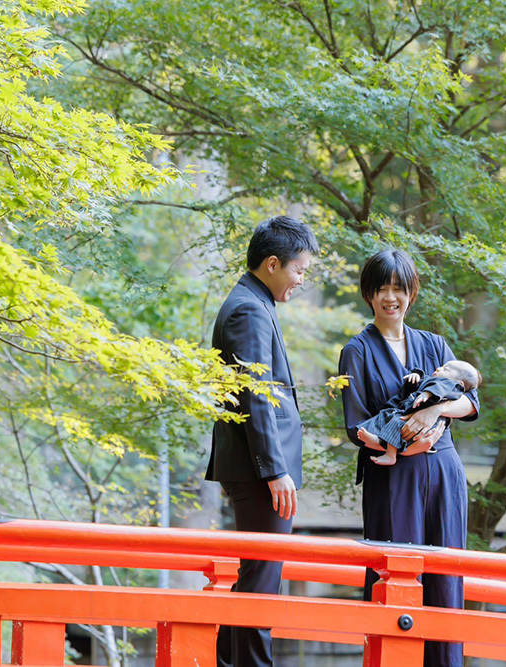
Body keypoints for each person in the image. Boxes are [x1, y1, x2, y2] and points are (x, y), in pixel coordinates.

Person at [338, 248, 479, 667]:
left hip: (443, 472)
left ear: (411, 293)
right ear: (369, 293)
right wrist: (400, 443)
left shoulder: (434, 344)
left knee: (445, 581)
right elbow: (355, 425)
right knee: (396, 576)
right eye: (381, 288)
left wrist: (434, 412)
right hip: (393, 475)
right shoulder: (357, 350)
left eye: (398, 288)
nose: (390, 297)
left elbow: (471, 403)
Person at [206, 215, 318, 667]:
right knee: (261, 581)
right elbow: (255, 395)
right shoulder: (249, 309)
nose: (301, 280)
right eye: (299, 270)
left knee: (255, 576)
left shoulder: (253, 301)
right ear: (273, 263)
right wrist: (274, 470)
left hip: (256, 469)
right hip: (259, 472)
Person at [359, 359, 481, 466]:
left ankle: (389, 453)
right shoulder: (432, 380)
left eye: (446, 369)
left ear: (460, 383)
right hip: (410, 415)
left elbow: (439, 389)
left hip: (428, 426)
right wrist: (415, 376)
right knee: (391, 418)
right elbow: (420, 383)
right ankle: (380, 440)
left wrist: (427, 394)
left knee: (397, 423)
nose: (438, 368)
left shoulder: (452, 387)